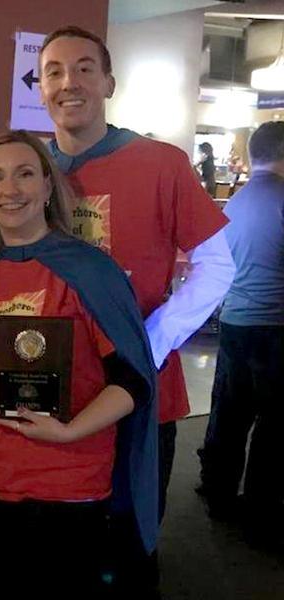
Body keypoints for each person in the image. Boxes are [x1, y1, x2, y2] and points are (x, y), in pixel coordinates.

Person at [38, 25, 235, 592]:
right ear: (41, 87)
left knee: (131, 545)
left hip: (141, 391)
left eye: (83, 68)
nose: (68, 82)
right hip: (55, 387)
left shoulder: (160, 163)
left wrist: (150, 339)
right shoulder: (28, 171)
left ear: (108, 83)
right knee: (63, 543)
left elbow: (218, 265)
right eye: (53, 71)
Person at [0, 129, 157, 597]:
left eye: (24, 174)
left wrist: (70, 430)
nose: (8, 189)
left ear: (47, 187)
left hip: (70, 490)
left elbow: (132, 382)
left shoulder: (90, 272)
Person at [198, 121, 284, 550]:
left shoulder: (234, 203)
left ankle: (215, 490)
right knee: (272, 424)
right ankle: (260, 509)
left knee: (229, 411)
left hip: (235, 321)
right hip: (274, 326)